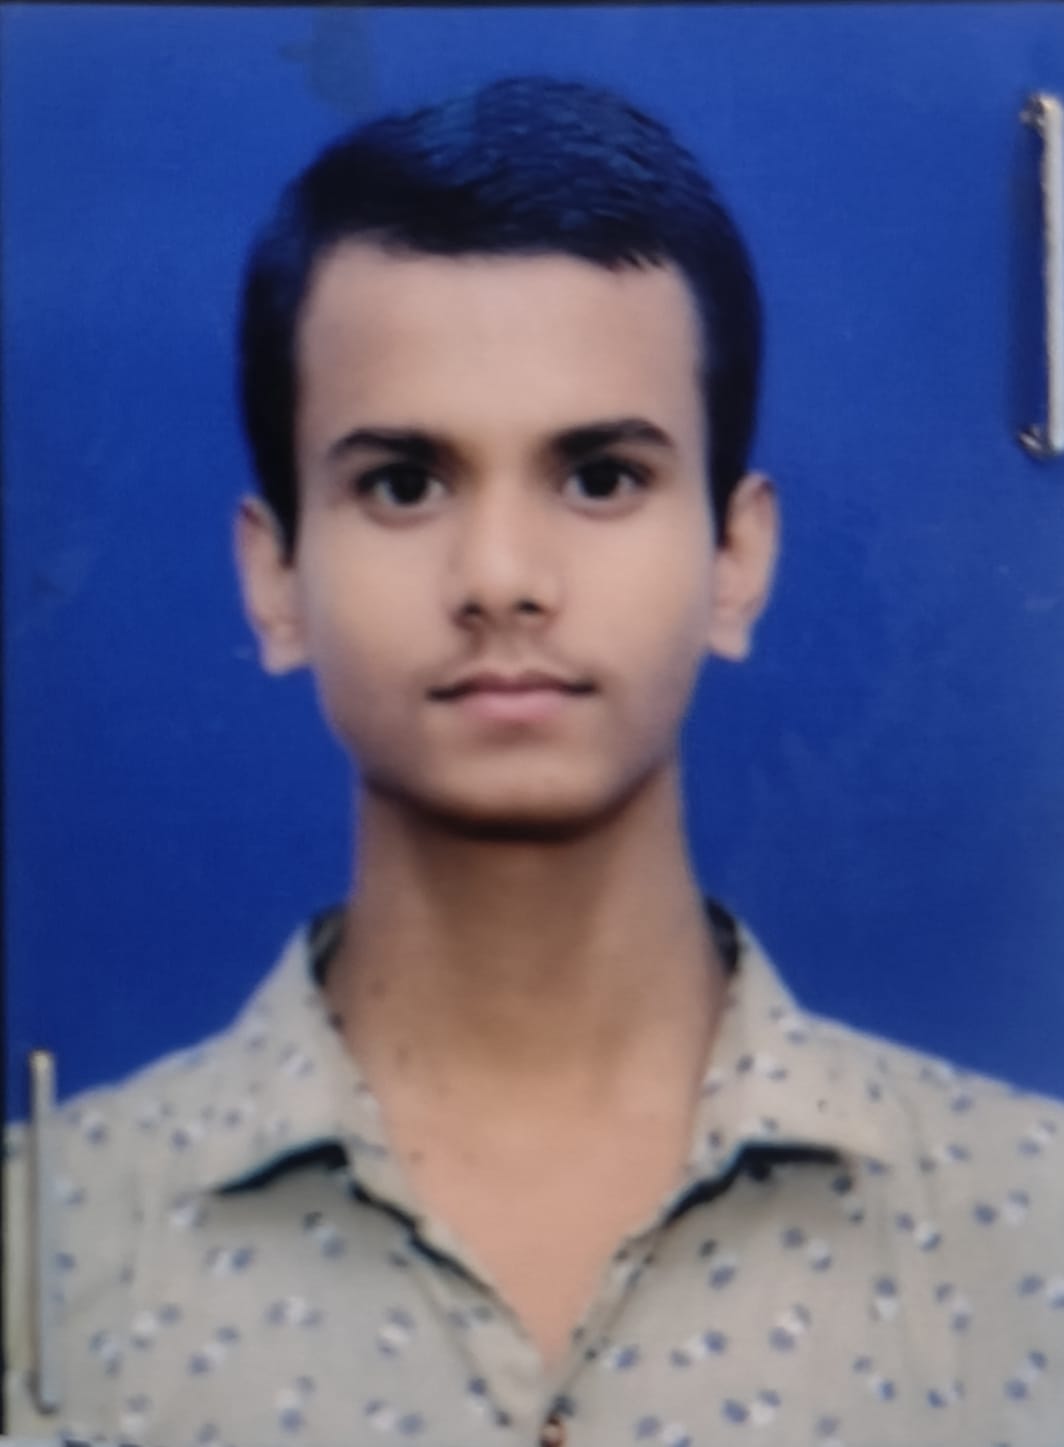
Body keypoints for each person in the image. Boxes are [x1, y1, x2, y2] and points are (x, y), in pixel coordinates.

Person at [4, 75, 1063, 1447]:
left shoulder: (1031, 1229)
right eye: (403, 483)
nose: (501, 576)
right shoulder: (47, 1245)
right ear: (273, 579)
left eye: (601, 476)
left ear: (737, 558)